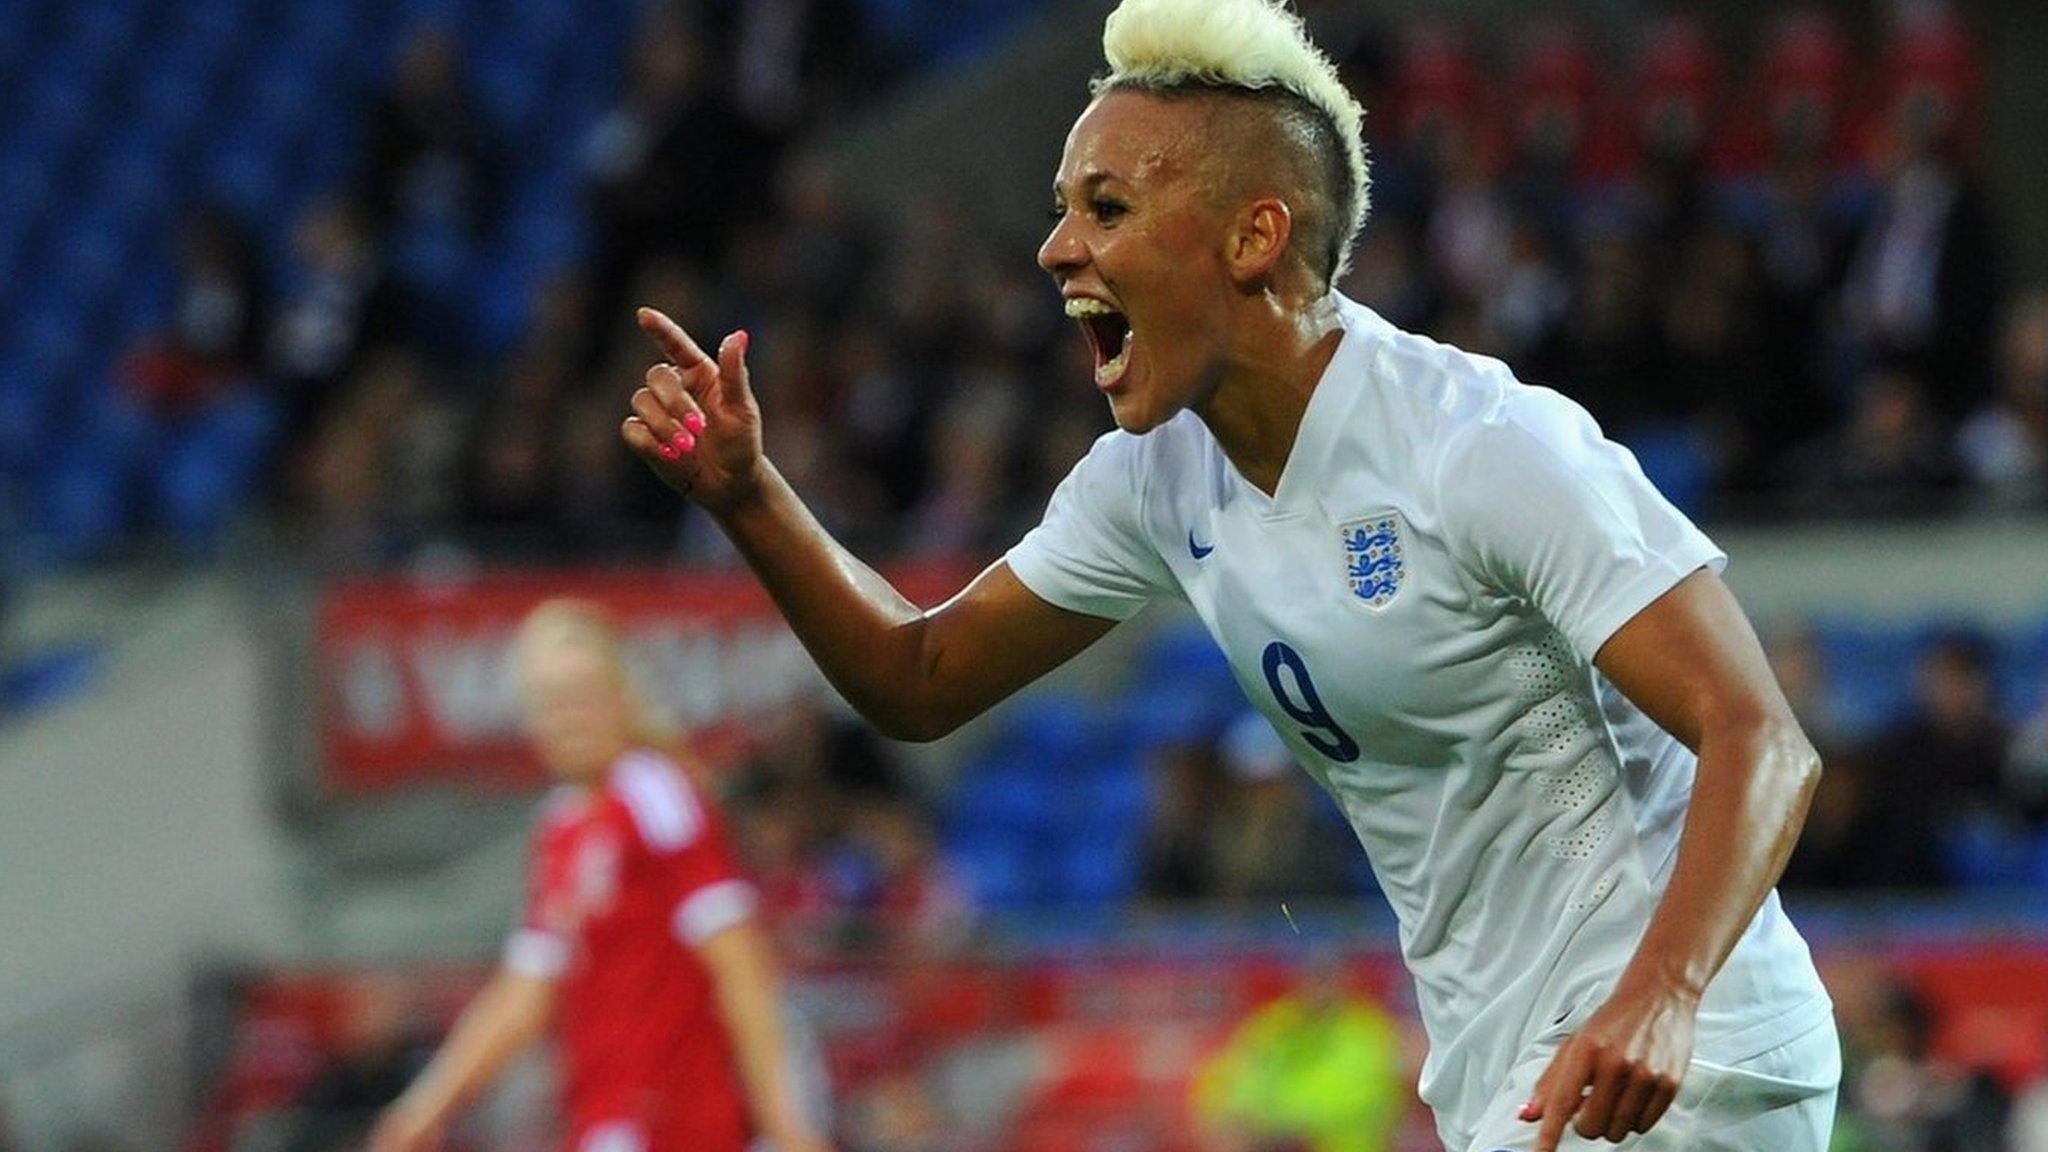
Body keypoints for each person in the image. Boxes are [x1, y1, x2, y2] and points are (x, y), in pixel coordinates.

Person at [618, 1, 1837, 1149]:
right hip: (1512, 1068)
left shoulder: (1477, 447)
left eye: (1104, 208)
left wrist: (1661, 995)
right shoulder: (1157, 479)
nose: (1054, 249)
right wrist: (747, 498)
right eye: (1061, 209)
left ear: (1254, 236)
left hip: (1682, 1052)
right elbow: (917, 677)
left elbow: (1758, 737)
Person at [370, 601, 829, 1152]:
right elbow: (526, 987)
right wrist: (428, 1105)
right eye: (550, 701)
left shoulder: (655, 792)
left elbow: (739, 960)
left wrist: (786, 1123)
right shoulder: (562, 826)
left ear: (621, 696)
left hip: (677, 1120)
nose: (568, 717)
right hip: (607, 1120)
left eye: (581, 696)